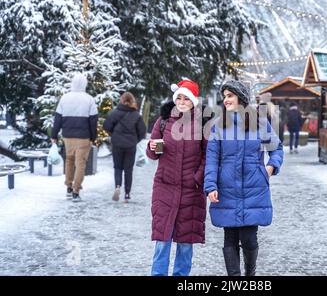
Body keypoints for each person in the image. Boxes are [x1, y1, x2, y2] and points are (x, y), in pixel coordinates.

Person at [204, 80, 284, 276]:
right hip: (226, 187)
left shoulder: (260, 123)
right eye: (224, 96)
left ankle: (250, 274)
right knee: (229, 237)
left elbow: (277, 149)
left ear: (241, 97)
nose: (226, 100)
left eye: (230, 95)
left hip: (254, 188)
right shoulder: (218, 126)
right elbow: (212, 159)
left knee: (249, 239)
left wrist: (270, 169)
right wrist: (210, 185)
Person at [147, 79, 208, 276]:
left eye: (186, 98)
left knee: (185, 243)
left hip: (192, 191)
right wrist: (152, 148)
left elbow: (209, 155)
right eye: (179, 98)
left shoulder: (202, 123)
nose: (181, 102)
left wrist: (197, 178)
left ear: (193, 101)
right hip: (165, 188)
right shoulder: (163, 121)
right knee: (162, 241)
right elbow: (151, 153)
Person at [51, 73, 98, 202]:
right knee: (80, 163)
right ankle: (76, 190)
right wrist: (93, 137)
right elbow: (93, 121)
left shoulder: (64, 98)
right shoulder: (89, 99)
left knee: (69, 160)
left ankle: (68, 186)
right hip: (83, 137)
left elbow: (58, 119)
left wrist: (54, 135)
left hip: (67, 136)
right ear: (84, 84)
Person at [103, 92, 146, 202]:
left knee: (117, 167)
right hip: (130, 145)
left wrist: (114, 135)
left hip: (117, 143)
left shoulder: (115, 113)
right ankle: (127, 194)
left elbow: (106, 126)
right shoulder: (136, 115)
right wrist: (135, 140)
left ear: (121, 100)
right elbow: (142, 132)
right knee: (128, 169)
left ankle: (117, 186)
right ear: (132, 101)